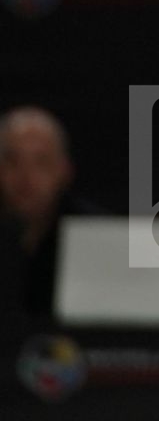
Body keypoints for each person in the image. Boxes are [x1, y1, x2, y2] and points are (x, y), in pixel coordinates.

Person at [0, 107, 93, 319]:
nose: (26, 177)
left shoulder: (95, 234)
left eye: (41, 162)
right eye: (12, 161)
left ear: (64, 170)